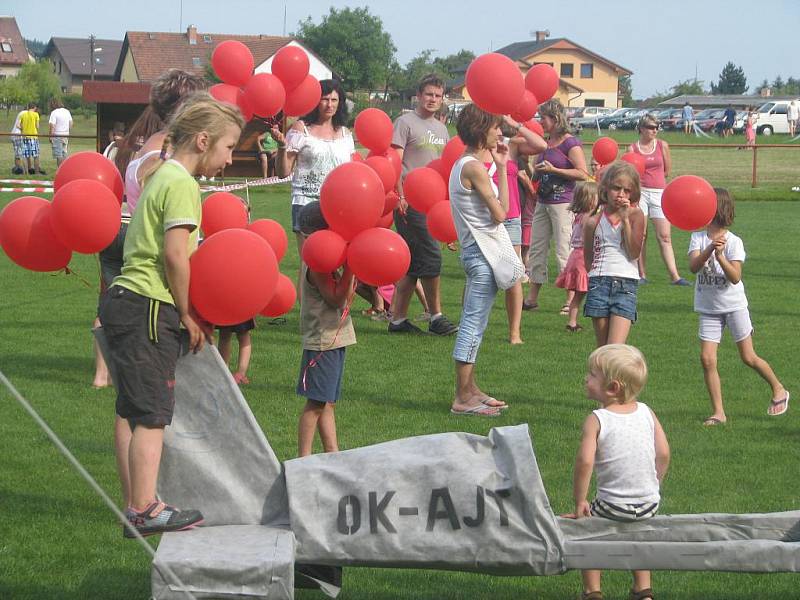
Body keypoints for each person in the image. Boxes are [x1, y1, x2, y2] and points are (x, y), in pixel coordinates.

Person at [99, 93, 244, 537]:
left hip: (127, 300)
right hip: (149, 303)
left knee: (137, 406)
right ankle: (144, 507)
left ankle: (139, 504)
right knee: (153, 412)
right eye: (228, 148)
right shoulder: (181, 182)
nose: (230, 159)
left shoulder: (159, 175)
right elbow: (176, 254)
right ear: (203, 140)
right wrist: (187, 313)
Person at [94, 70, 206, 390]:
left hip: (136, 259)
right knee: (156, 392)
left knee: (130, 392)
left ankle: (105, 374)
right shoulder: (169, 159)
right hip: (158, 278)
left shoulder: (146, 148)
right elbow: (172, 242)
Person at [567, 344, 670, 600]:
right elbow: (664, 453)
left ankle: (593, 591)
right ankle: (643, 590)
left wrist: (581, 501)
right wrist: (654, 486)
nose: (586, 378)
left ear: (612, 388)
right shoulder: (647, 412)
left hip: (613, 505)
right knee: (639, 534)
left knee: (588, 531)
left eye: (592, 375)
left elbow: (585, 462)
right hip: (649, 504)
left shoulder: (598, 418)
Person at [688, 188, 789, 426]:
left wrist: (721, 255)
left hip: (734, 306)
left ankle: (779, 389)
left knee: (748, 356)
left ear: (717, 209)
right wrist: (710, 249)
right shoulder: (698, 237)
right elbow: (693, 267)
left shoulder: (735, 242)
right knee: (707, 359)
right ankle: (718, 413)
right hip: (708, 307)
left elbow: (735, 277)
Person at [449, 104, 518, 416]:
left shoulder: (466, 164)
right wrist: (499, 170)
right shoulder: (473, 168)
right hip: (481, 254)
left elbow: (501, 209)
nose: (500, 132)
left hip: (478, 253)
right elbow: (502, 213)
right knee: (473, 324)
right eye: (495, 127)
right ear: (480, 130)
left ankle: (471, 389)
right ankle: (462, 398)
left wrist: (502, 166)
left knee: (477, 323)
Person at [388, 74, 459, 336]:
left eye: (438, 96)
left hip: (434, 204)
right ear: (418, 95)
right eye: (429, 94)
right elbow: (394, 161)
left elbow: (443, 169)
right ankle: (436, 316)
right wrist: (401, 195)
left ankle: (397, 321)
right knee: (431, 257)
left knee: (413, 263)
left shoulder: (441, 129)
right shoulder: (405, 122)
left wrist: (447, 219)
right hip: (410, 201)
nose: (433, 99)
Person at [271, 79, 354, 301]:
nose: (329, 104)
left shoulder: (345, 133)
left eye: (334, 100)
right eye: (325, 99)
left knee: (337, 258)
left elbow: (352, 170)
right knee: (311, 263)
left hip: (338, 206)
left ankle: (334, 306)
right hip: (306, 202)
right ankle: (308, 314)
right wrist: (281, 147)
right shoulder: (301, 129)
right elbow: (283, 171)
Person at [295, 201, 356, 457]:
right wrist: (352, 266)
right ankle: (304, 457)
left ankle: (333, 452)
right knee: (317, 402)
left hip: (333, 337)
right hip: (323, 340)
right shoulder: (319, 264)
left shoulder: (323, 259)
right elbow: (336, 299)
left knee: (327, 401)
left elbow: (345, 298)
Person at [523, 99, 588, 313]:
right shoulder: (544, 143)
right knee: (537, 249)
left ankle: (569, 300)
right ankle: (532, 298)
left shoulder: (570, 143)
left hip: (564, 203)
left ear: (556, 118)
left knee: (563, 250)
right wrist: (531, 168)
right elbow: (537, 173)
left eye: (544, 117)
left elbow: (582, 173)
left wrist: (555, 170)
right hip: (543, 200)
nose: (540, 121)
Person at [491, 116, 546, 343]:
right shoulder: (474, 150)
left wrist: (514, 124)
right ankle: (470, 325)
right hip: (486, 219)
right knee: (478, 275)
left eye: (496, 125)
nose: (496, 129)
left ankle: (515, 333)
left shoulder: (509, 144)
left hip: (511, 217)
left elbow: (541, 145)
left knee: (513, 275)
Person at [583, 162, 646, 347]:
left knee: (615, 349)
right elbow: (588, 258)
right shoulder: (593, 221)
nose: (621, 195)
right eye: (616, 189)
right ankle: (600, 377)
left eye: (627, 191)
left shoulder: (636, 215)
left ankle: (614, 378)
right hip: (599, 282)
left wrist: (625, 219)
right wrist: (595, 276)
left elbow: (634, 253)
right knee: (603, 350)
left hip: (626, 283)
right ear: (606, 189)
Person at [629, 114, 690, 286]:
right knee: (641, 235)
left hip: (659, 193)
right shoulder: (632, 149)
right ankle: (641, 274)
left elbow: (667, 170)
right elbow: (629, 171)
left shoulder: (662, 145)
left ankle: (675, 276)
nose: (654, 130)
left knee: (664, 235)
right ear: (641, 128)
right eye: (650, 127)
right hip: (640, 193)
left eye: (656, 127)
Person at [555, 181, 598, 332]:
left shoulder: (579, 215)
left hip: (575, 255)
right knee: (589, 291)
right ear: (591, 199)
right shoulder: (589, 219)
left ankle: (572, 322)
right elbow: (590, 240)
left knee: (578, 296)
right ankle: (593, 319)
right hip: (583, 257)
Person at [19, 102, 45, 175]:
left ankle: (26, 172)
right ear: (34, 108)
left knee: (25, 155)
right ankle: (37, 172)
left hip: (24, 137)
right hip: (33, 137)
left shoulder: (23, 114)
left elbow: (18, 125)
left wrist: (23, 128)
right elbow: (37, 126)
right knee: (36, 155)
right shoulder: (36, 114)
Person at [48, 98, 73, 167]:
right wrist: (67, 130)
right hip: (66, 135)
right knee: (64, 153)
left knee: (59, 154)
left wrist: (50, 136)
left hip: (57, 135)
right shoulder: (67, 111)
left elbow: (52, 126)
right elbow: (71, 123)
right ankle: (64, 169)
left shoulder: (54, 113)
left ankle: (59, 170)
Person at [10, 107, 25, 175]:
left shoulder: (22, 112)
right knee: (18, 153)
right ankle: (18, 169)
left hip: (15, 134)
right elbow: (18, 125)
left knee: (17, 152)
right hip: (17, 135)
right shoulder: (24, 114)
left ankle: (17, 168)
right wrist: (25, 128)